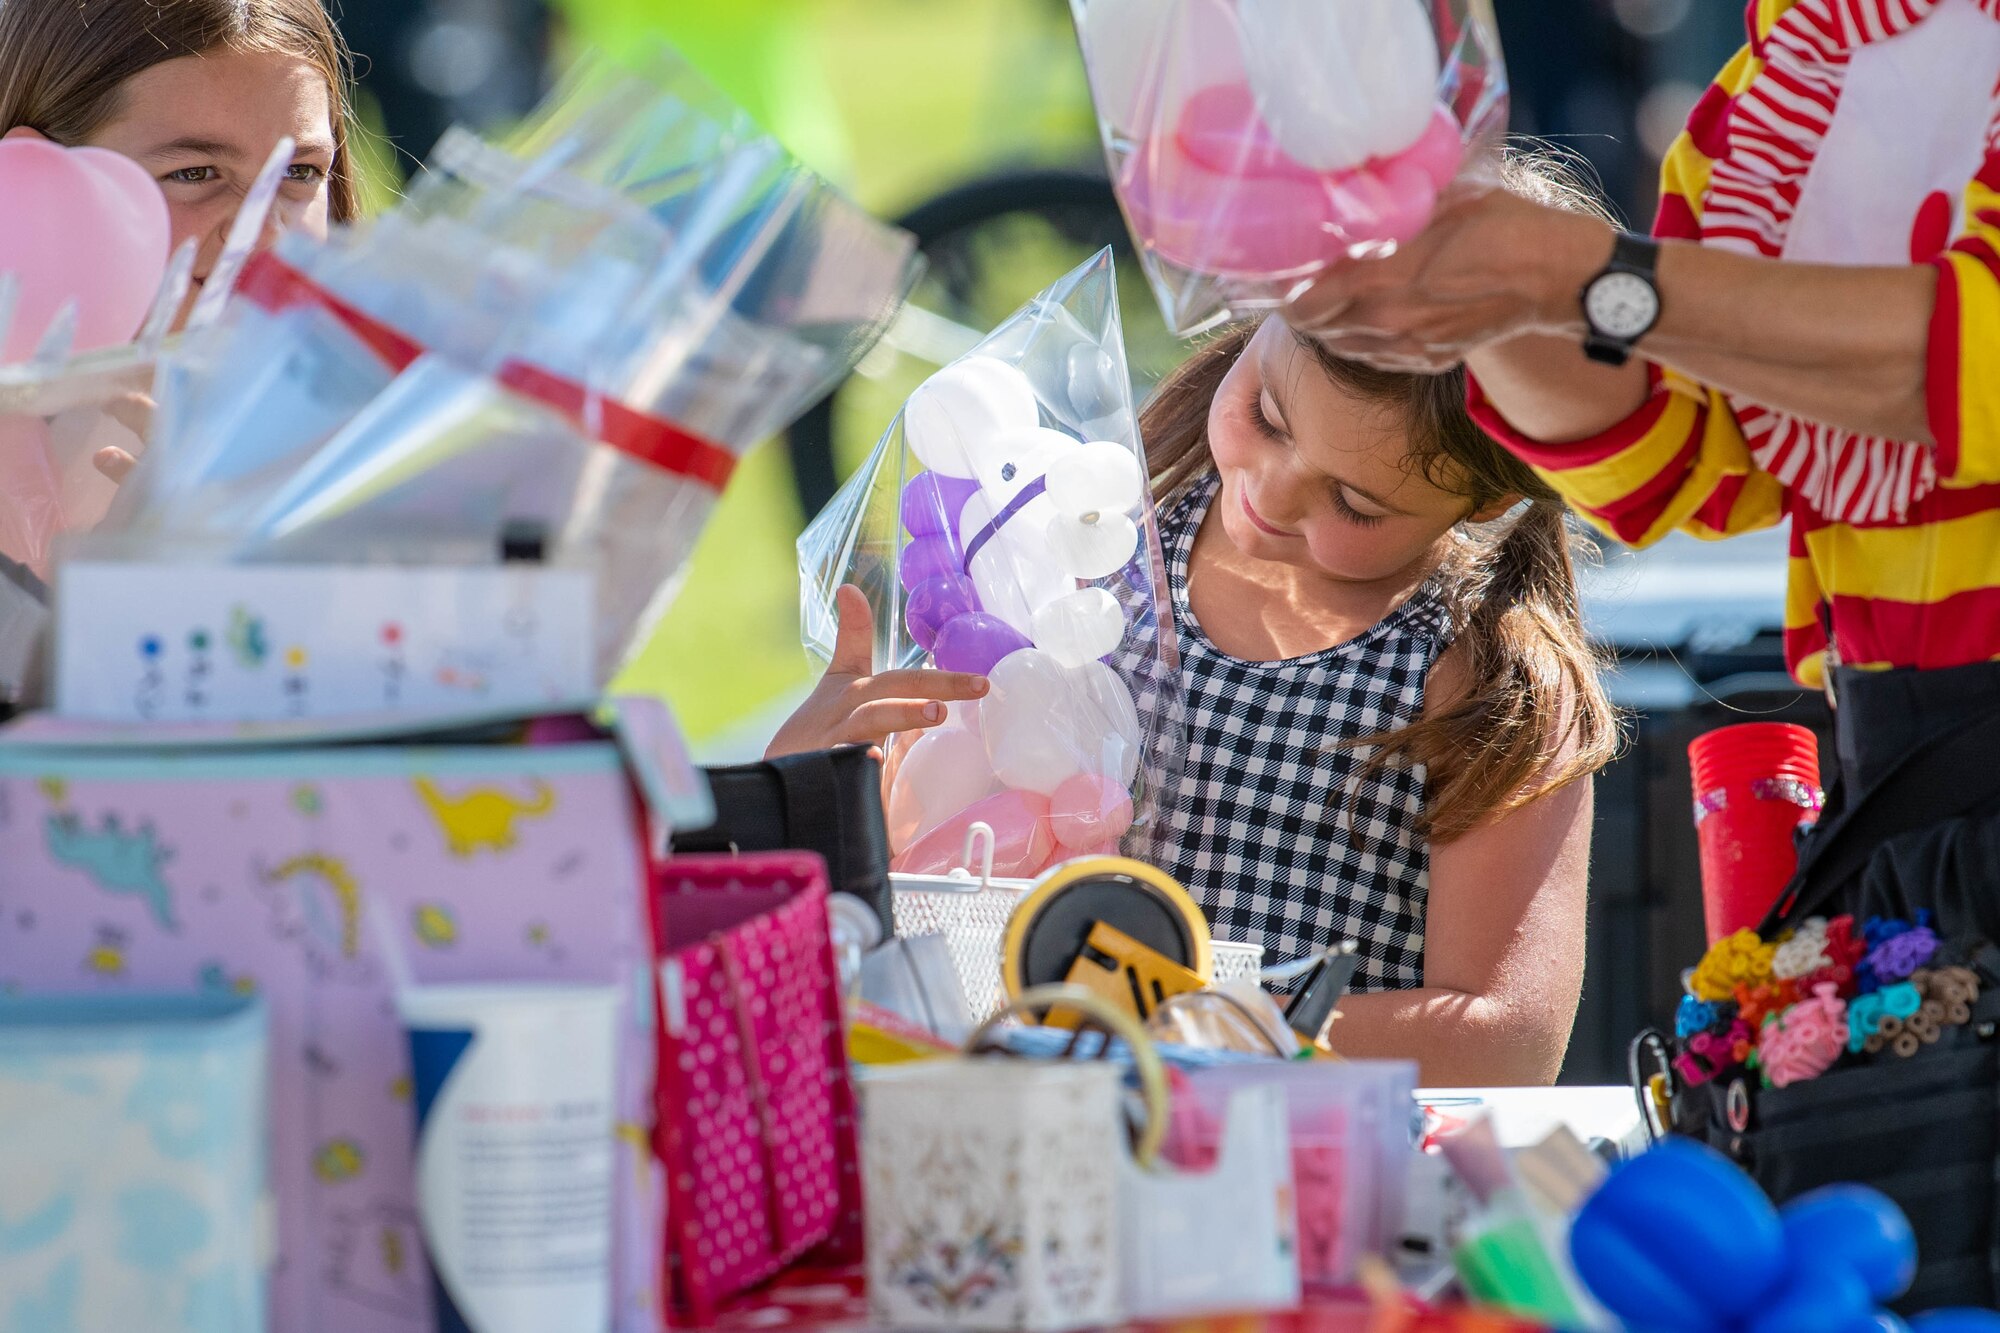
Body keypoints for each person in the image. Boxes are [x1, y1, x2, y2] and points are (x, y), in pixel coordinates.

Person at [772, 173, 1621, 1085]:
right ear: (1259, 314)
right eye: (1266, 414)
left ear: (1487, 496)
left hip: (1279, 1186)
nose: (1271, 490)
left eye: (1354, 501)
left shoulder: (1483, 685)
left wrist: (1169, 1012)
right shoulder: (1082, 544)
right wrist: (809, 780)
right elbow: (917, 844)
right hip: (1017, 1137)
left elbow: (1505, 1035)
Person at [1279, 0, 2000, 946]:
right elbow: (1689, 457)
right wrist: (1474, 286)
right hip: (1903, 777)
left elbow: (1966, 356)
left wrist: (1575, 277)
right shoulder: (1797, 63)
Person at [0, 0, 358, 480]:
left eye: (299, 172)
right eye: (194, 173)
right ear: (37, 183)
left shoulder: (382, 448)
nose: (266, 235)